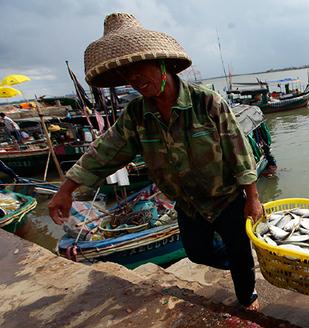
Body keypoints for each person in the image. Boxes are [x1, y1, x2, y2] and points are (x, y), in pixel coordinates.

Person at [48, 12, 261, 310]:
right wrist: (66, 189)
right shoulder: (136, 114)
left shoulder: (207, 102)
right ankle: (240, 258)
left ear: (161, 63)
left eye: (139, 68)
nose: (133, 79)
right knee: (198, 253)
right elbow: (105, 150)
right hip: (187, 205)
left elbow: (240, 151)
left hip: (225, 199)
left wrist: (252, 198)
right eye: (126, 74)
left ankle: (247, 295)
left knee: (240, 259)